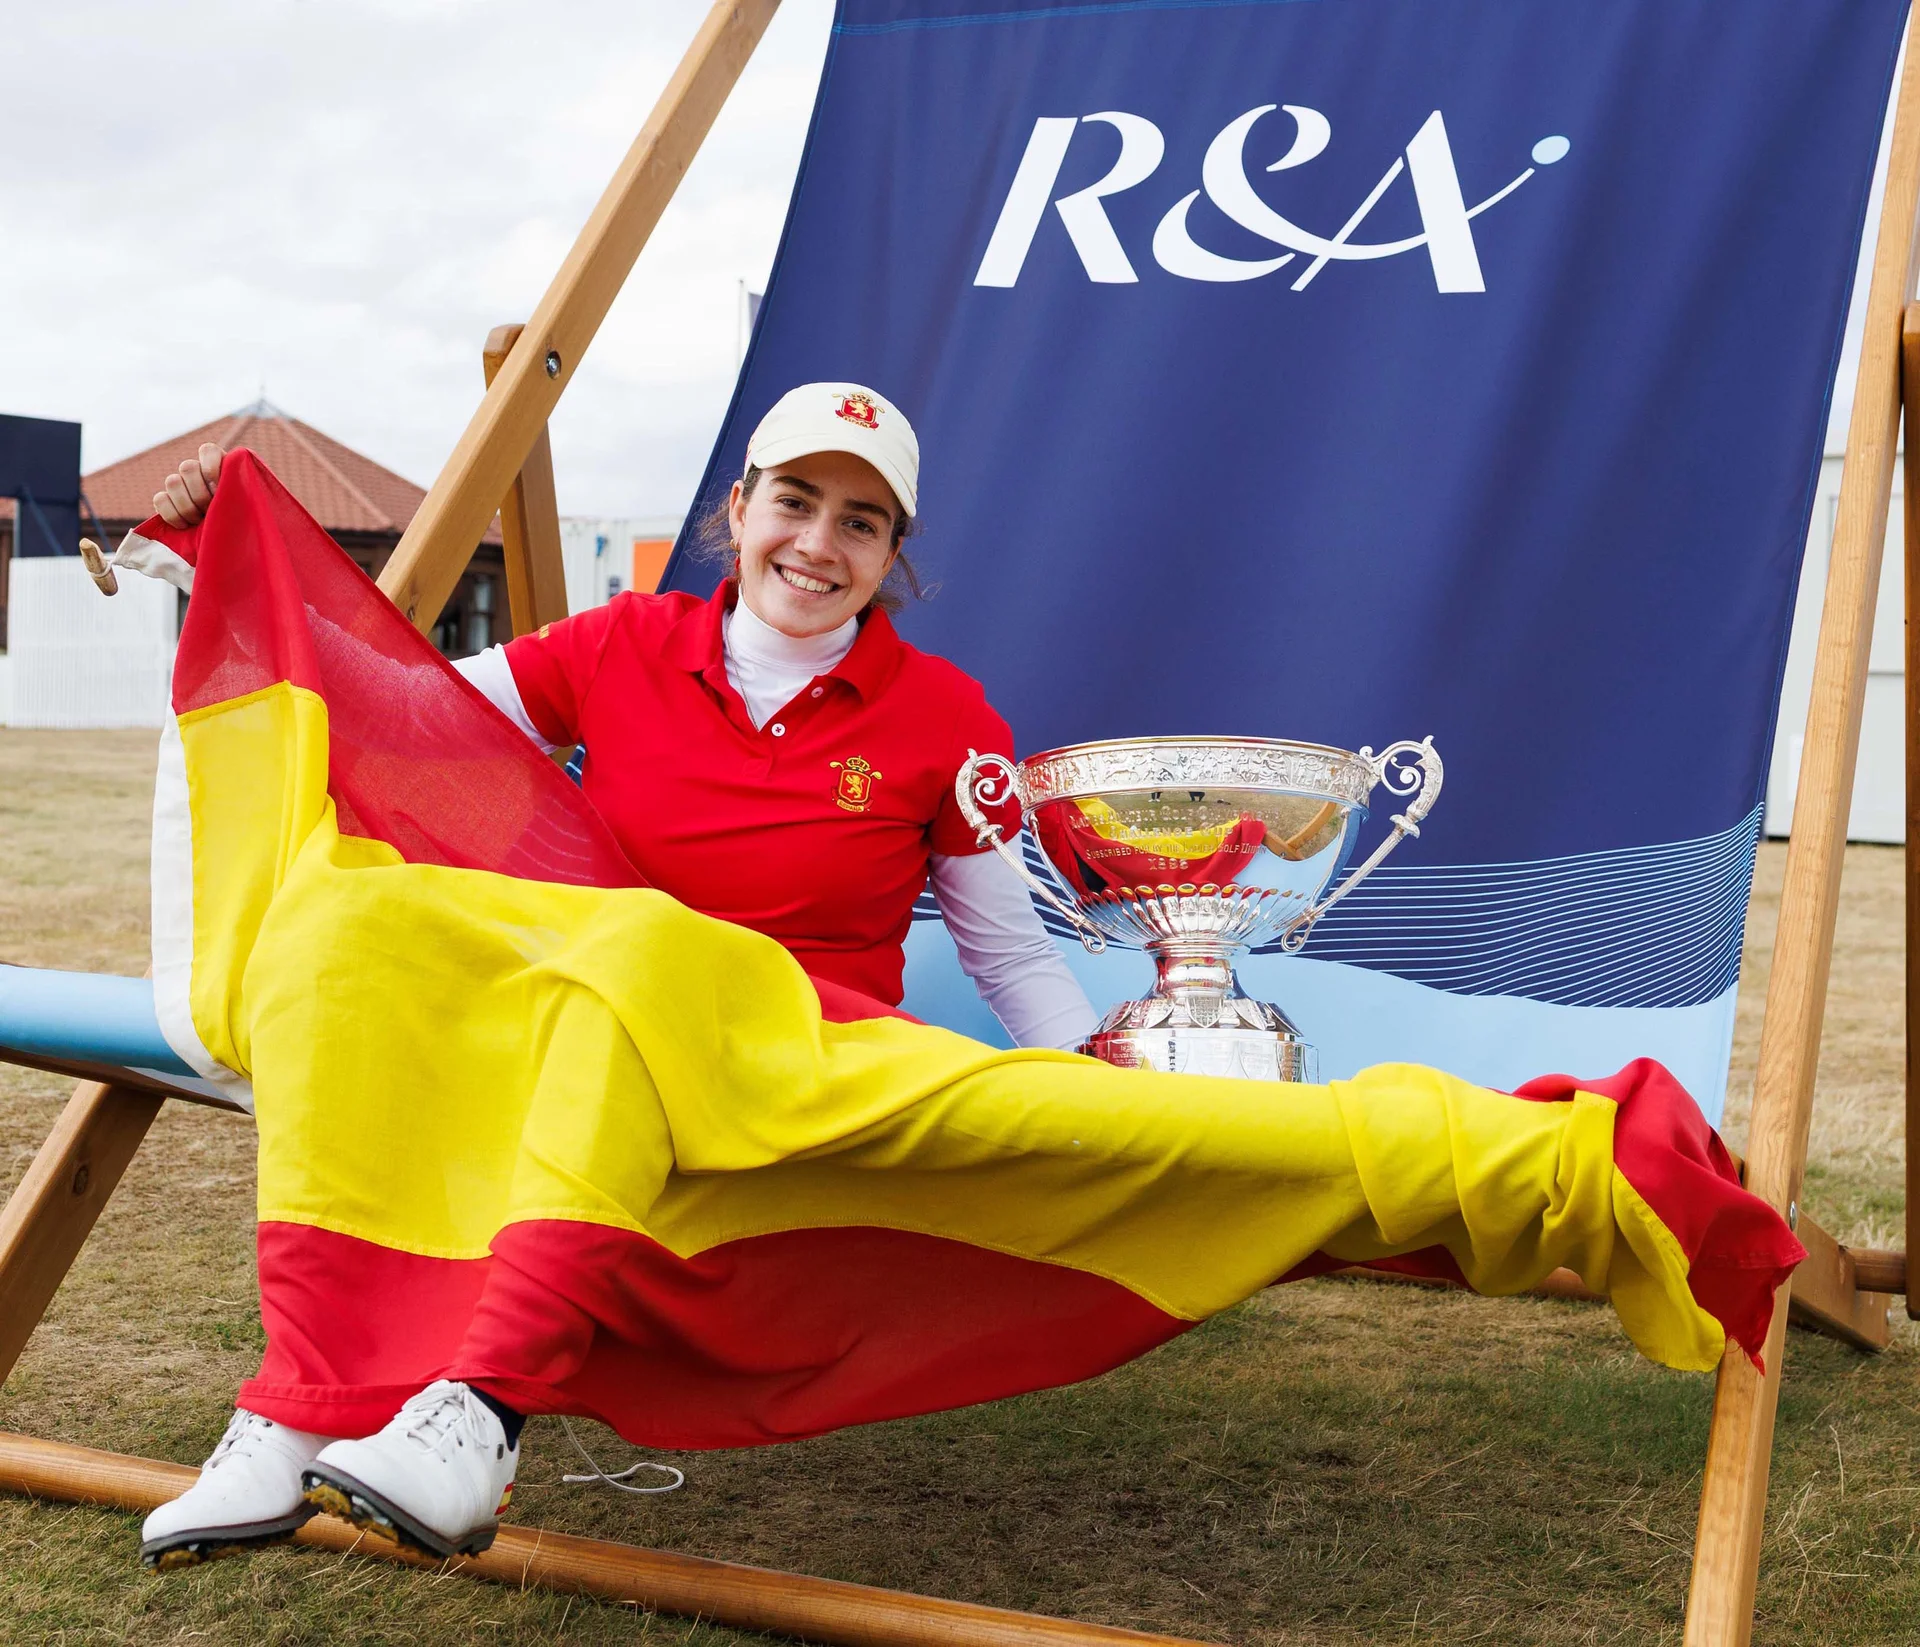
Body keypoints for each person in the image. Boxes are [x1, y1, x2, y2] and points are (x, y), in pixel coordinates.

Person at [138, 382, 1098, 1568]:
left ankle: (481, 1410)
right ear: (739, 509)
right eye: (794, 502)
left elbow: (1009, 950)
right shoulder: (623, 644)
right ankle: (298, 1410)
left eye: (861, 522)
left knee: (636, 952)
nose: (817, 543)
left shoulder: (946, 717)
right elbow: (387, 704)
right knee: (351, 926)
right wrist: (215, 571)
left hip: (800, 1057)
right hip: (607, 1019)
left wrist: (1107, 1096)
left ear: (893, 556)